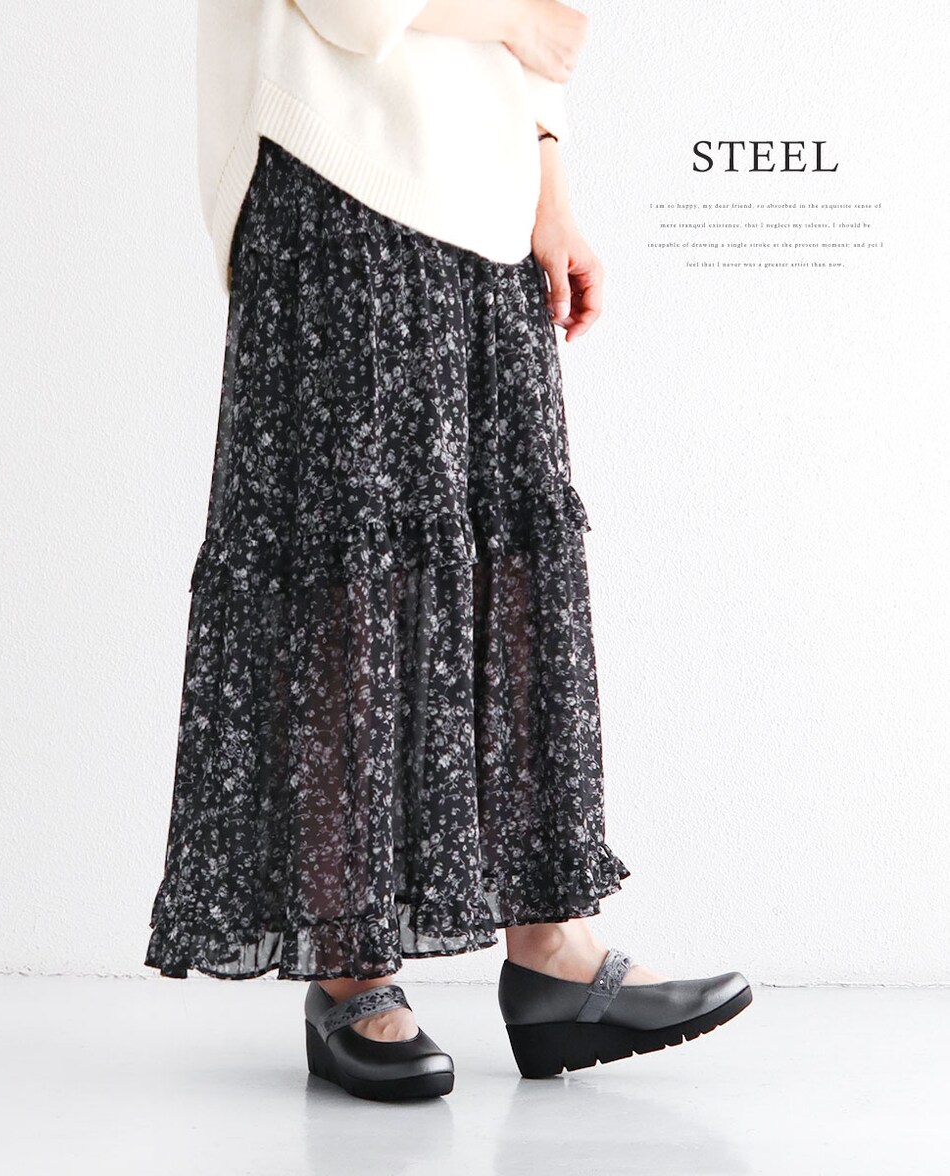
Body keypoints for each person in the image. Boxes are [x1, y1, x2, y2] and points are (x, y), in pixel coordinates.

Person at [145, 0, 752, 1100]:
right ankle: (349, 965)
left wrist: (551, 188)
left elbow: (542, 39)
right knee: (351, 568)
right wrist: (517, 19)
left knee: (512, 561)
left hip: (489, 192)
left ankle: (553, 948)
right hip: (332, 158)